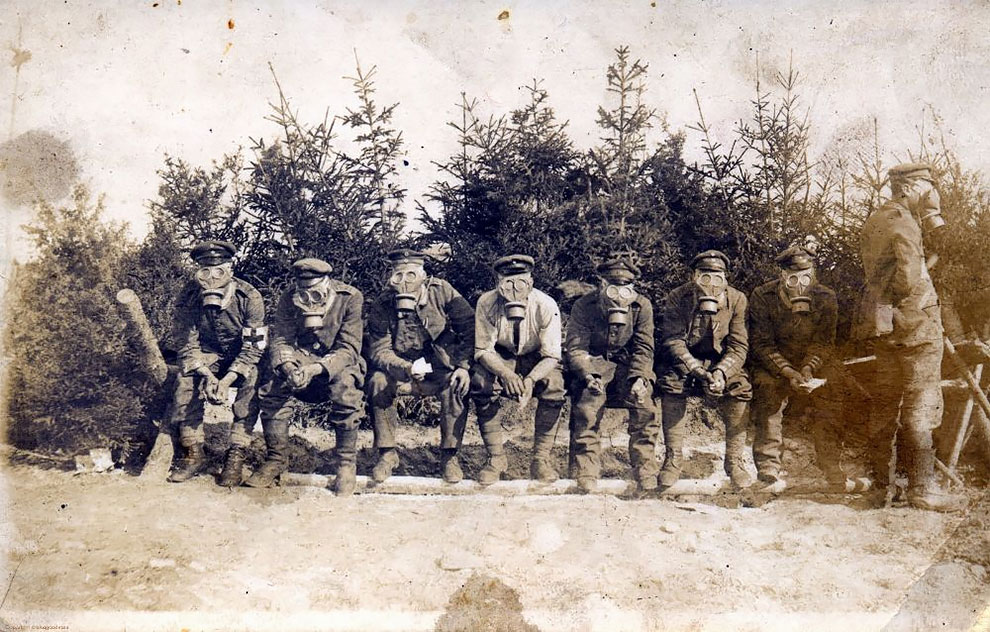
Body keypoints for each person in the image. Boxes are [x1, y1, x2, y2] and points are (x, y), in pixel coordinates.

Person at [855, 162, 966, 511]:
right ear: (907, 187)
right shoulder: (903, 221)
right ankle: (922, 488)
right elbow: (907, 277)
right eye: (924, 186)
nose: (928, 193)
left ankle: (880, 488)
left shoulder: (877, 219)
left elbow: (884, 274)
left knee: (884, 406)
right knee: (921, 405)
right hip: (915, 327)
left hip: (885, 326)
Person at [244, 257, 366, 496]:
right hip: (301, 358)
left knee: (347, 387)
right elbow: (281, 339)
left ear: (326, 281)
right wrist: (288, 366)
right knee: (273, 383)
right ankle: (277, 459)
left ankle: (345, 463)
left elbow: (349, 348)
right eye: (303, 291)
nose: (309, 297)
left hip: (338, 359)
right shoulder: (289, 298)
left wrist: (315, 369)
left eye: (315, 291)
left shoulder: (349, 297)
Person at [748, 239, 861, 492]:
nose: (800, 284)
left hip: (812, 364)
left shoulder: (825, 297)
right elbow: (762, 344)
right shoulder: (763, 296)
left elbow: (824, 342)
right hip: (775, 363)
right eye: (793, 278)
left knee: (835, 389)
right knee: (766, 389)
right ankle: (768, 472)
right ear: (782, 275)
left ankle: (833, 470)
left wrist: (808, 370)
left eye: (806, 277)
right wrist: (788, 372)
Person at [365, 249, 475, 484]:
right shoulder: (384, 303)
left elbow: (469, 327)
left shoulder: (441, 291)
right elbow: (379, 349)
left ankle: (449, 456)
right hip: (402, 369)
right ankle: (387, 454)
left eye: (411, 275)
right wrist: (405, 367)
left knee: (456, 384)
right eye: (398, 276)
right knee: (377, 381)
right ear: (391, 278)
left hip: (439, 367)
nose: (405, 283)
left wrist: (463, 366)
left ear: (424, 276)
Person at [168, 240, 267, 486]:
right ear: (197, 273)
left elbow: (254, 347)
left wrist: (228, 379)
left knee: (253, 377)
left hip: (241, 357)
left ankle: (236, 454)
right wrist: (209, 377)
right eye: (204, 271)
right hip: (207, 357)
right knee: (185, 378)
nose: (212, 278)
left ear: (230, 270)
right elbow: (187, 345)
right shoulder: (188, 297)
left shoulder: (249, 297)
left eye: (219, 270)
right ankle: (194, 451)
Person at [657, 249, 752, 490]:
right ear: (693, 277)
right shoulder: (678, 297)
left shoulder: (737, 299)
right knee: (671, 384)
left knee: (740, 387)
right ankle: (673, 459)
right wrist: (695, 369)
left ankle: (734, 461)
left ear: (726, 279)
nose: (710, 284)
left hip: (720, 361)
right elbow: (673, 340)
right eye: (704, 276)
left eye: (717, 277)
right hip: (685, 361)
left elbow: (739, 345)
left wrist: (721, 373)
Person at [565, 250, 658, 493]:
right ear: (601, 284)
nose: (619, 294)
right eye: (612, 287)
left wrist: (640, 377)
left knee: (644, 404)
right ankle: (586, 470)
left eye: (625, 287)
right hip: (594, 362)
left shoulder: (641, 306)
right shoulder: (584, 306)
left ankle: (645, 467)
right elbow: (576, 347)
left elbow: (644, 347)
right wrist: (588, 374)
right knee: (588, 403)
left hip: (628, 365)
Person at [470, 254, 565, 486]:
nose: (514, 289)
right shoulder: (486, 303)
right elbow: (483, 349)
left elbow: (552, 354)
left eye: (520, 282)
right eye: (507, 282)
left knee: (555, 384)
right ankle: (496, 458)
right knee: (481, 382)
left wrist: (531, 379)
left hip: (536, 357)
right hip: (501, 356)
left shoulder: (546, 305)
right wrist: (506, 374)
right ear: (498, 283)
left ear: (531, 283)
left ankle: (541, 460)